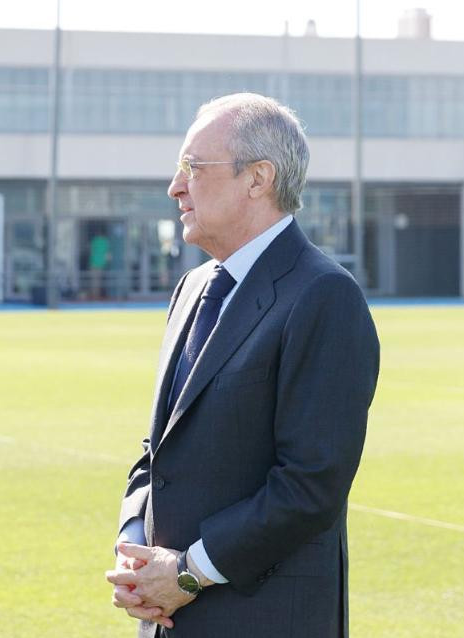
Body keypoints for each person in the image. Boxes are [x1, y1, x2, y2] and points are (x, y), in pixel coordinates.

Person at [106, 93, 380, 638]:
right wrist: (136, 540)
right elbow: (159, 450)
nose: (175, 187)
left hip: (264, 618)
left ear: (258, 179)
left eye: (192, 167)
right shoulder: (192, 287)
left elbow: (310, 486)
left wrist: (186, 574)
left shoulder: (323, 295)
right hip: (165, 615)